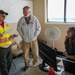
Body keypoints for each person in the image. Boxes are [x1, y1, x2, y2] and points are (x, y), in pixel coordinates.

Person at [17, 6, 41, 71]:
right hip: (25, 40)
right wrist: (22, 35)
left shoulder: (34, 19)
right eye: (23, 12)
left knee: (35, 53)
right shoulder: (21, 19)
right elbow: (18, 28)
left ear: (29, 12)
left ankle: (35, 64)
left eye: (25, 12)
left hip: (33, 40)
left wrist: (35, 35)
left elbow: (38, 28)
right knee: (25, 54)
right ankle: (27, 64)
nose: (24, 13)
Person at [0, 10, 17, 75]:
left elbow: (8, 35)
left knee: (9, 61)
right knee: (3, 64)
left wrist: (12, 36)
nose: (4, 17)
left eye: (5, 16)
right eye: (3, 16)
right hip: (2, 48)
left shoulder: (6, 24)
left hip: (9, 46)